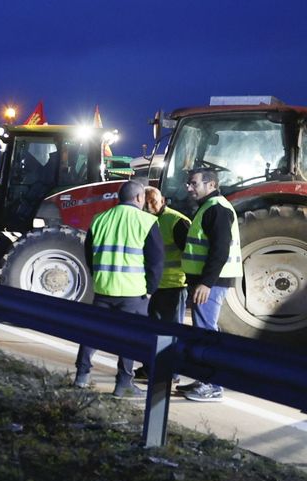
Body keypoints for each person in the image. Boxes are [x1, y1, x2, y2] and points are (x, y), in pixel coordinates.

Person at [73, 181, 163, 397]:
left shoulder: (99, 219)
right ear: (140, 198)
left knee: (92, 331)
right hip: (133, 292)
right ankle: (123, 383)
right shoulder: (147, 221)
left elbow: (89, 255)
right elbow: (156, 260)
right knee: (130, 338)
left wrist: (100, 277)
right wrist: (150, 289)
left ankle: (81, 375)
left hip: (104, 287)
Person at [178, 163, 240, 402]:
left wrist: (206, 282)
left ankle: (213, 385)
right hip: (206, 281)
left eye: (194, 183)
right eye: (190, 183)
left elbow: (220, 250)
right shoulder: (209, 207)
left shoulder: (216, 209)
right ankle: (204, 378)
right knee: (203, 330)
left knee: (206, 332)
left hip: (210, 283)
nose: (189, 187)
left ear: (211, 184)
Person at [135, 185, 190, 380]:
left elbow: (190, 255)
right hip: (151, 286)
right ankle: (149, 368)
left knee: (170, 333)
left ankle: (170, 373)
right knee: (151, 331)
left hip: (173, 286)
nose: (150, 206)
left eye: (154, 202)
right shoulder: (143, 219)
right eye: (147, 202)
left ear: (163, 200)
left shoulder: (176, 221)